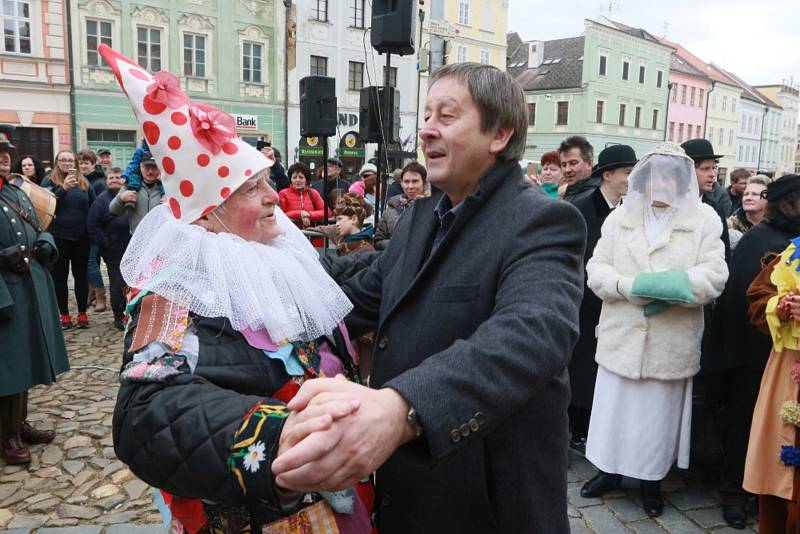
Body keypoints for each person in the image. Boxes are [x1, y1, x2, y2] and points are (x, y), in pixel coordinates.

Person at [271, 62, 586, 533]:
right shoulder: (420, 218)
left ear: (499, 133)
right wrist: (257, 260)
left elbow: (533, 333)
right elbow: (353, 291)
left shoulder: (542, 222)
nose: (426, 130)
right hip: (412, 492)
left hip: (488, 502)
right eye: (426, 115)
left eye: (446, 115)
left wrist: (402, 408)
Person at [98, 44, 371, 532]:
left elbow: (351, 282)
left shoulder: (277, 254)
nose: (273, 196)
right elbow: (146, 411)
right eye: (251, 188)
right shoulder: (173, 289)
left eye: (268, 181)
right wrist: (282, 437)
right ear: (208, 213)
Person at [580, 143, 728, 518]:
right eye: (655, 176)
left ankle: (650, 482)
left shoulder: (704, 219)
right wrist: (628, 288)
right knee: (615, 412)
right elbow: (596, 269)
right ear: (643, 179)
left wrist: (666, 289)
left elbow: (714, 275)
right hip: (622, 335)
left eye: (671, 176)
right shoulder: (619, 217)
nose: (661, 184)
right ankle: (609, 471)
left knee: (654, 420)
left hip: (669, 342)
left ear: (681, 180)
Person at [711, 174, 800, 528]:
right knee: (747, 426)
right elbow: (747, 300)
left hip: (774, 359)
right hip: (756, 359)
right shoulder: (765, 242)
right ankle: (736, 492)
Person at [0, 124, 69, 465]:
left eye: (6, 152)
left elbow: (39, 227)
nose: (4, 157)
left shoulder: (15, 191)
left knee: (23, 361)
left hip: (27, 287)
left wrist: (46, 244)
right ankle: (6, 436)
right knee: (8, 366)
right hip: (5, 291)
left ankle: (18, 423)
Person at [568, 144, 637, 453]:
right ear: (607, 175)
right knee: (580, 371)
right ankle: (575, 430)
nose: (632, 179)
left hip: (614, 305)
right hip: (584, 304)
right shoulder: (580, 209)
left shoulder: (629, 211)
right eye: (627, 173)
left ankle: (595, 430)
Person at [743, 237, 800, 533]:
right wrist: (781, 305)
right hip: (787, 373)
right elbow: (757, 296)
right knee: (779, 464)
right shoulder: (792, 254)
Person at [42, 149, 96, 329]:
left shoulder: (84, 183)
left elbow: (93, 208)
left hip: (81, 238)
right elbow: (47, 206)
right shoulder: (49, 181)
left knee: (81, 277)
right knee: (60, 277)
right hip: (59, 237)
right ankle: (64, 314)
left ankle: (82, 313)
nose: (67, 163)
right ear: (57, 162)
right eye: (63, 160)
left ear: (75, 164)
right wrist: (63, 188)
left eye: (70, 161)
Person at [86, 167, 130, 330]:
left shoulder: (131, 196)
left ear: (123, 180)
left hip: (132, 248)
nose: (114, 180)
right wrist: (105, 241)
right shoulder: (101, 201)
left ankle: (132, 313)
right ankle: (119, 315)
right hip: (113, 250)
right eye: (111, 178)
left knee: (130, 283)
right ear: (106, 180)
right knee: (117, 283)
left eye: (118, 177)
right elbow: (92, 224)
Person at [78, 149, 108, 312]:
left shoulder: (98, 182)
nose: (83, 166)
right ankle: (92, 295)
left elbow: (99, 208)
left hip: (96, 229)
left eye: (86, 163)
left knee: (91, 263)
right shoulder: (81, 180)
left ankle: (101, 297)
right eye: (81, 162)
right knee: (90, 262)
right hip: (84, 229)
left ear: (93, 164)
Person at [374, 161, 428, 250]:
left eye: (415, 181)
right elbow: (378, 241)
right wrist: (396, 244)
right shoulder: (391, 209)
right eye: (406, 182)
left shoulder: (435, 207)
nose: (410, 186)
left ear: (424, 183)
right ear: (401, 184)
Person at [109, 150, 163, 234]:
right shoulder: (130, 185)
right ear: (141, 167)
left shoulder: (166, 188)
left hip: (160, 239)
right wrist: (121, 199)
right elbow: (113, 210)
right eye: (147, 167)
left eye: (154, 167)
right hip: (136, 238)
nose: (150, 171)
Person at [315, 192, 375, 256]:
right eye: (336, 220)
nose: (337, 224)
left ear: (353, 219)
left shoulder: (367, 250)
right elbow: (316, 230)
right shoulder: (339, 234)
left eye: (340, 219)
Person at [279, 161, 327, 229]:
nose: (297, 180)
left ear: (306, 180)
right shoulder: (283, 193)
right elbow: (281, 215)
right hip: (291, 233)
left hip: (312, 235)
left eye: (301, 177)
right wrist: (300, 213)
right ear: (290, 179)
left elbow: (327, 212)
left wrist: (309, 215)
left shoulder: (313, 193)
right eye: (294, 177)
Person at [728, 175, 771, 249]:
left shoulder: (779, 227)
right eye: (746, 194)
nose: (748, 198)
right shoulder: (729, 227)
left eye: (755, 194)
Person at [560, 136, 596, 202]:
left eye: (573, 163)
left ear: (589, 164)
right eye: (564, 165)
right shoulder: (568, 192)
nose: (567, 170)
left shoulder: (594, 197)